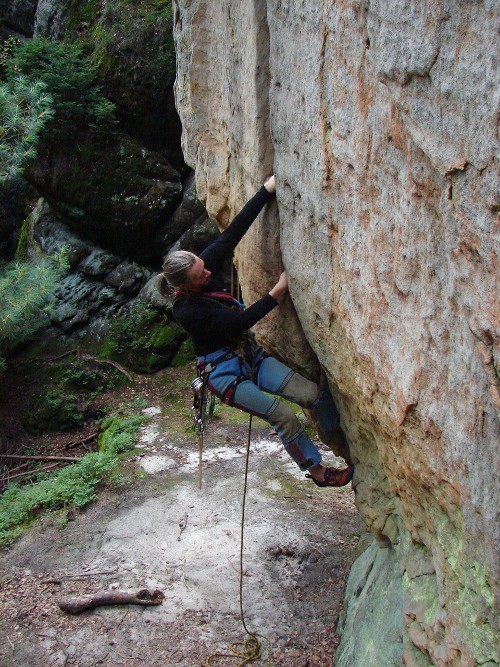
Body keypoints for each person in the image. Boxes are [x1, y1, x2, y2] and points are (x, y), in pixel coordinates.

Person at [156, 175, 354, 487]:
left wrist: (266, 191)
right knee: (282, 415)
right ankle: (317, 472)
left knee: (314, 396)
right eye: (199, 273)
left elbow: (232, 233)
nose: (207, 270)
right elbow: (238, 323)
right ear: (185, 285)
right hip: (224, 374)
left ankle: (345, 446)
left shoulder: (201, 268)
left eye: (202, 264)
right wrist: (277, 292)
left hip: (250, 356)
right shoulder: (186, 311)